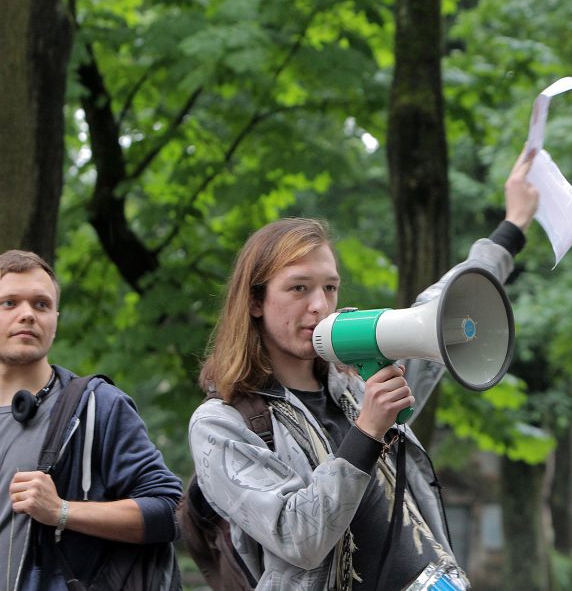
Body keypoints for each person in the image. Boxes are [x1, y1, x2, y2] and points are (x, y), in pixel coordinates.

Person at [187, 147, 539, 590]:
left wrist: (513, 226)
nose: (319, 305)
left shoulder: (357, 380)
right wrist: (367, 431)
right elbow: (299, 538)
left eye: (329, 287)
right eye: (299, 288)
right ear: (255, 301)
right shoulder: (222, 424)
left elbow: (441, 309)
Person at [0, 250, 183, 590]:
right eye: (9, 303)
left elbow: (169, 511)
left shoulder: (97, 405)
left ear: (55, 317)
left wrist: (61, 511)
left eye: (40, 304)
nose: (27, 315)